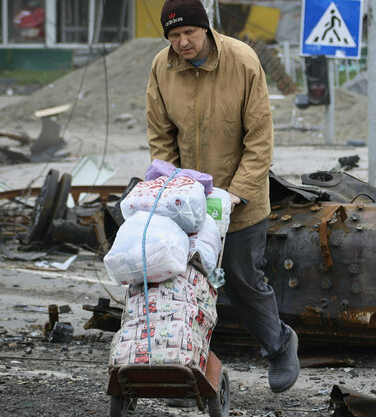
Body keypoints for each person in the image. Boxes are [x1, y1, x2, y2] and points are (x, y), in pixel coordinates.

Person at [146, 0, 299, 394]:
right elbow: (161, 138)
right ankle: (190, 371)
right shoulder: (161, 68)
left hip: (240, 200)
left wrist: (237, 194)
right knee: (183, 283)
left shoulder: (243, 61)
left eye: (189, 33)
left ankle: (281, 345)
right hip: (187, 202)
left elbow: (260, 141)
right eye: (174, 35)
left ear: (206, 29)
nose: (182, 43)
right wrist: (172, 189)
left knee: (244, 281)